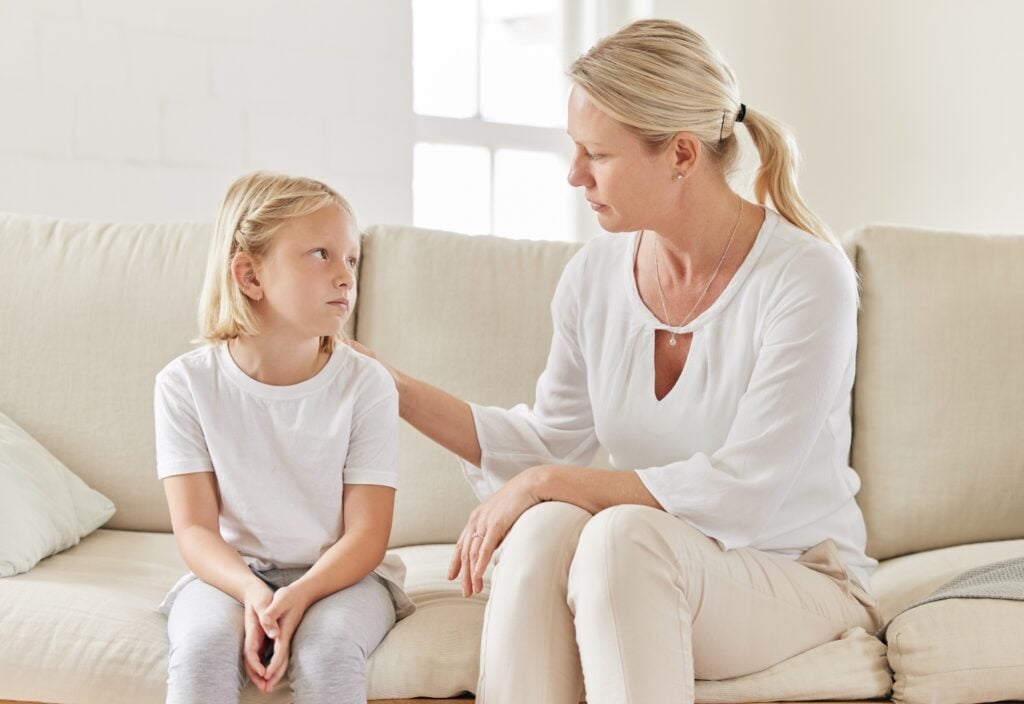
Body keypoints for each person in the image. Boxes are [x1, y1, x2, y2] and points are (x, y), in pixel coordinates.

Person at [350, 18, 881, 704]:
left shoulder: (807, 278)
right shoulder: (594, 276)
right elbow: (546, 445)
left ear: (682, 155)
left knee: (623, 538)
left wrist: (547, 479)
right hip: (664, 568)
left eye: (595, 154)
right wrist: (389, 387)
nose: (575, 175)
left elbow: (742, 489)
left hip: (796, 575)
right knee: (547, 528)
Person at [154, 171, 413, 704]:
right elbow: (196, 531)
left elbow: (367, 535)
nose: (345, 276)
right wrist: (252, 592)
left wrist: (301, 594)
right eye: (320, 254)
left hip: (345, 579)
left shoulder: (367, 385)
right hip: (232, 576)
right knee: (202, 648)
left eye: (351, 258)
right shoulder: (184, 385)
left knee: (326, 651)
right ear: (250, 276)